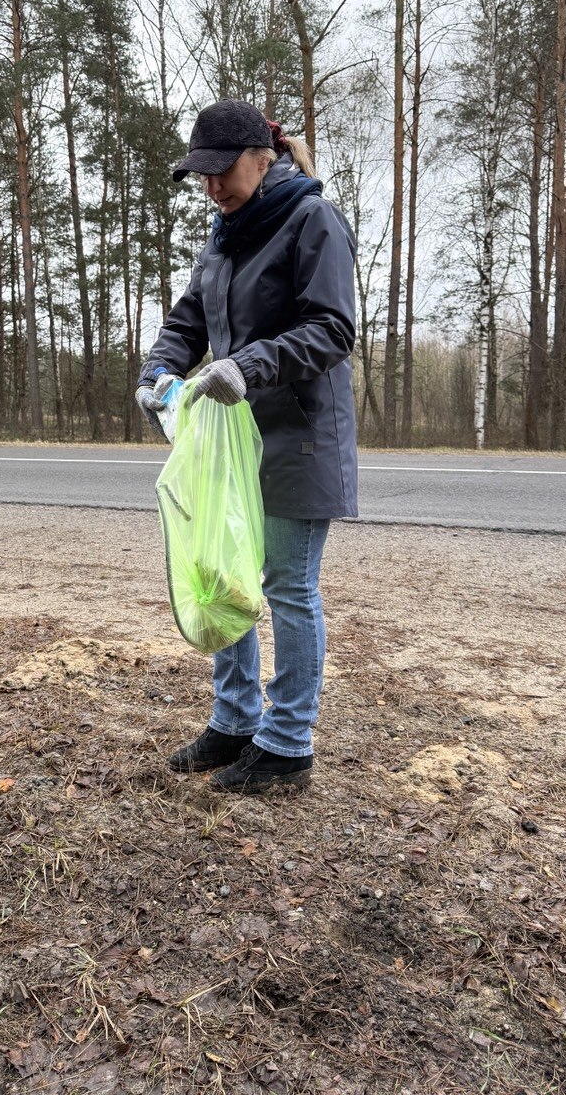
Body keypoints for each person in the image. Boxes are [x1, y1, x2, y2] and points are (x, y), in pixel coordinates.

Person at [135, 98, 358, 793]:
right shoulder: (224, 232)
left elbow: (332, 329)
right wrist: (160, 371)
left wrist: (247, 366)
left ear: (265, 159)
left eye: (220, 172)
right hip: (230, 440)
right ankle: (234, 720)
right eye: (199, 176)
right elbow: (191, 316)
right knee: (226, 576)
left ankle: (288, 741)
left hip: (298, 433)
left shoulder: (311, 220)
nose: (210, 187)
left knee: (287, 588)